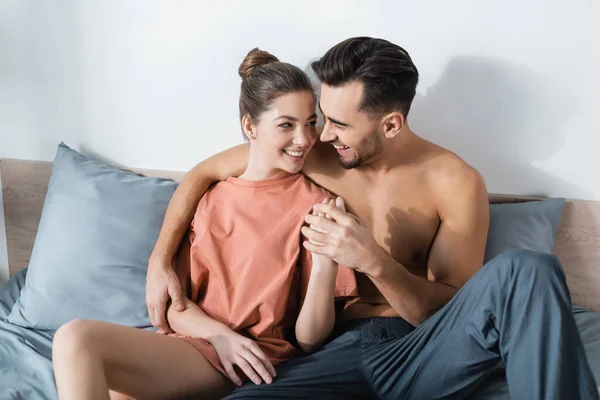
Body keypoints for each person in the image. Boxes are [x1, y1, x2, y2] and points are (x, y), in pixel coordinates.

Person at [146, 37, 599, 399]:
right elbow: (203, 173)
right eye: (324, 118)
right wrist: (160, 261)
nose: (320, 134)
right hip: (332, 352)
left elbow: (451, 314)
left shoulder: (454, 181)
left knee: (529, 269)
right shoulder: (313, 154)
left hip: (421, 351)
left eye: (338, 124)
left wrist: (373, 261)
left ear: (391, 124)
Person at [52, 48, 358, 400]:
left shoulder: (316, 204)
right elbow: (174, 308)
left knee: (76, 339)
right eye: (286, 125)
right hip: (194, 345)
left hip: (243, 360)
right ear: (250, 126)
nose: (304, 140)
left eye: (310, 123)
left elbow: (310, 339)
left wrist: (324, 269)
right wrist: (220, 335)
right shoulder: (211, 196)